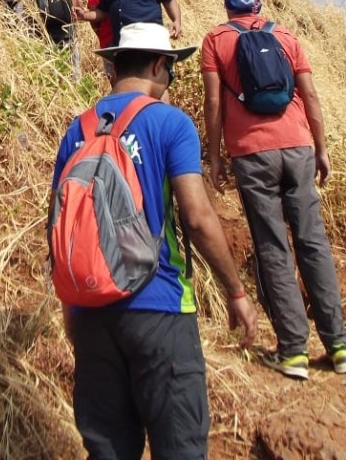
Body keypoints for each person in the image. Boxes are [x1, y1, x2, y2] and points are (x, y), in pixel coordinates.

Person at [50, 23, 257, 460]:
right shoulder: (170, 123)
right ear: (160, 65)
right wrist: (235, 290)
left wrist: (73, 310)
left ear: (115, 65)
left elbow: (58, 226)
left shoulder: (77, 130)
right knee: (180, 447)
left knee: (109, 451)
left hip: (90, 314)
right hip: (160, 305)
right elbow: (197, 217)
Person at [201, 0, 346, 381]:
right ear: (258, 5)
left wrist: (214, 157)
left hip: (252, 152)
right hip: (298, 147)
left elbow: (214, 101)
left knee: (273, 246)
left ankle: (294, 351)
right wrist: (321, 147)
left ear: (227, 5)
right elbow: (310, 95)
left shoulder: (216, 40)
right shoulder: (285, 36)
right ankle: (339, 347)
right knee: (313, 242)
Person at [87, 0, 117, 83]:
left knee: (114, 79)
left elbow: (93, 17)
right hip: (129, 38)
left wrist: (99, 34)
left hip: (107, 40)